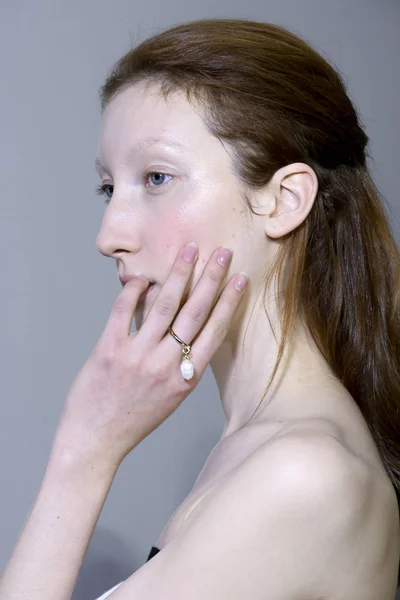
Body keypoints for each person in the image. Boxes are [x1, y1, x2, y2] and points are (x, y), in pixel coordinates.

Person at [1, 17, 399, 600]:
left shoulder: (304, 475)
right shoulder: (256, 448)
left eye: (157, 177)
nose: (109, 234)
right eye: (110, 188)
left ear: (284, 200)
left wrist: (83, 450)